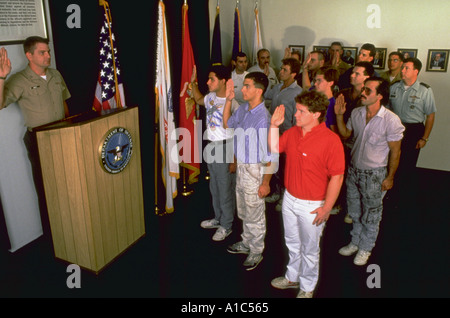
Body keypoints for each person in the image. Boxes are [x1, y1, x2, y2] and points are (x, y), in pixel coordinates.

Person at [268, 91, 345, 298]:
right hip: (290, 199)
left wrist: (327, 207)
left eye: (301, 111)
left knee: (310, 250)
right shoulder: (293, 132)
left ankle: (307, 287)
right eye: (297, 110)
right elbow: (274, 147)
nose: (295, 115)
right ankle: (292, 277)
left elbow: (337, 177)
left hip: (312, 205)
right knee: (292, 242)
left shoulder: (331, 140)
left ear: (316, 114)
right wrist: (274, 126)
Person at [0, 37, 71, 236]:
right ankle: (53, 234)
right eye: (42, 52)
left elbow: (64, 103)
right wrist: (1, 78)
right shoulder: (18, 80)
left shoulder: (55, 75)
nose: (48, 56)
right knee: (47, 189)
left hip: (64, 135)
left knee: (69, 182)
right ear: (29, 55)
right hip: (40, 141)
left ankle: (71, 224)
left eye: (48, 51)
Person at [335, 77, 404, 266]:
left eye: (368, 90)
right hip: (354, 171)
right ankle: (355, 241)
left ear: (380, 96)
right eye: (363, 89)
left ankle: (366, 247)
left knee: (372, 213)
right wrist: (340, 116)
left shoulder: (391, 120)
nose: (363, 93)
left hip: (375, 175)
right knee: (354, 210)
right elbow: (346, 135)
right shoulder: (356, 113)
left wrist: (390, 177)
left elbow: (395, 152)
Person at [223, 72, 273, 271]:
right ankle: (246, 242)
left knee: (255, 213)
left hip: (255, 170)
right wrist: (228, 100)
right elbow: (227, 124)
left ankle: (256, 250)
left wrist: (266, 182)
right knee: (244, 209)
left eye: (247, 86)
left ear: (258, 91)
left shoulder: (264, 119)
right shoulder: (243, 108)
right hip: (243, 166)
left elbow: (270, 155)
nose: (242, 89)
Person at [191, 64, 239, 241]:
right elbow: (198, 100)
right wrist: (193, 82)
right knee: (214, 187)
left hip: (225, 147)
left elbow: (239, 134)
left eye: (212, 79)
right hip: (211, 146)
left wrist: (234, 158)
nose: (208, 82)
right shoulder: (210, 97)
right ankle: (219, 218)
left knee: (225, 188)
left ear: (224, 81)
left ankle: (227, 225)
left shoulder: (233, 103)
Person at [388, 58, 436, 206]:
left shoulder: (425, 90)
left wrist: (424, 138)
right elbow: (387, 110)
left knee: (407, 164)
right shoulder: (394, 87)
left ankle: (403, 197)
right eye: (402, 68)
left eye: (406, 68)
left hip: (414, 130)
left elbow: (430, 115)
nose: (402, 71)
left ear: (416, 71)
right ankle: (389, 192)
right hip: (395, 127)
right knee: (391, 160)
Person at [264, 57, 303, 210]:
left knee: (287, 168)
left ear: (293, 74)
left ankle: (284, 198)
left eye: (284, 70)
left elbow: (297, 119)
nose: (280, 72)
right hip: (273, 134)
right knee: (274, 166)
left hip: (287, 136)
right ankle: (276, 192)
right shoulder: (277, 87)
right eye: (281, 68)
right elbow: (266, 95)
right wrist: (267, 78)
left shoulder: (298, 92)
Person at [313, 67, 339, 133]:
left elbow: (334, 132)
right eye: (315, 80)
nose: (315, 84)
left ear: (330, 83)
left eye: (319, 81)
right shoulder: (317, 99)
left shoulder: (332, 105)